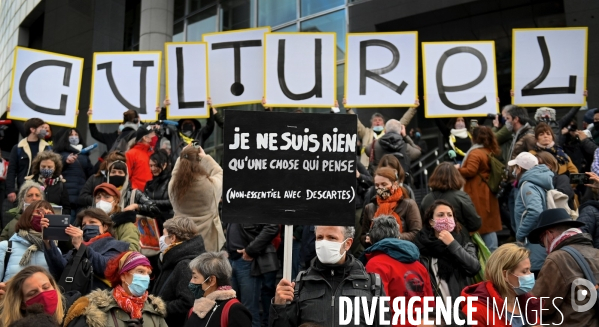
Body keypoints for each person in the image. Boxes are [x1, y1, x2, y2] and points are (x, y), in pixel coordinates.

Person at [270, 225, 388, 326]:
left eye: (331, 238)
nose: (324, 243)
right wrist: (279, 306)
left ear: (347, 244)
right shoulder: (300, 284)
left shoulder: (372, 285)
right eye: (320, 237)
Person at [528, 208, 599, 326]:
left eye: (542, 241)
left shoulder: (557, 259)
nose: (544, 247)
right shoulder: (596, 253)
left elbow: (539, 305)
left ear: (549, 234)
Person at [360, 216, 433, 326]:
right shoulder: (418, 265)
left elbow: (379, 309)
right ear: (398, 237)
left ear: (371, 240)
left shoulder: (375, 264)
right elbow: (430, 304)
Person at [63, 251, 168, 327]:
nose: (146, 277)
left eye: (148, 273)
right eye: (140, 271)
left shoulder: (153, 309)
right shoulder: (97, 309)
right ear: (123, 276)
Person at [42, 208, 129, 293]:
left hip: (98, 299)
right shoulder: (76, 248)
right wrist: (48, 242)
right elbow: (60, 270)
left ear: (105, 226)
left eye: (92, 222)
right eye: (84, 224)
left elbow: (107, 268)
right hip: (74, 299)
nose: (87, 226)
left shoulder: (116, 245)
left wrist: (81, 247)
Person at [415, 200, 480, 304]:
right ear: (431, 222)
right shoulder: (421, 246)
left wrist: (452, 244)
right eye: (440, 215)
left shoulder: (464, 242)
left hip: (461, 305)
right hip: (436, 308)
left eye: (450, 215)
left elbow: (473, 267)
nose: (446, 218)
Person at [461, 244, 541, 327]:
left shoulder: (527, 302)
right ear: (504, 275)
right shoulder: (475, 311)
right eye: (524, 271)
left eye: (529, 270)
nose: (530, 275)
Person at [151, 217, 206, 327]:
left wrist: (158, 307)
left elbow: (187, 302)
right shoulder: (174, 258)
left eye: (164, 235)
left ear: (173, 238)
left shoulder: (184, 264)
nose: (161, 239)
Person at [169, 145, 225, 252]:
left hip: (180, 240)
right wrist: (205, 158)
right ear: (200, 162)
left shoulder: (173, 187)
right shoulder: (209, 186)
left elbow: (175, 173)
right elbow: (220, 173)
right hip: (206, 243)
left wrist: (183, 155)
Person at [458, 126, 502, 251]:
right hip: (486, 191)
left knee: (483, 225)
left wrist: (457, 169)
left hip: (477, 192)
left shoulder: (475, 153)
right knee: (489, 225)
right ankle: (492, 252)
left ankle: (490, 254)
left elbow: (470, 171)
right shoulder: (488, 150)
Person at [226, 223, 279, 327]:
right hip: (233, 259)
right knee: (234, 307)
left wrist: (250, 250)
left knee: (249, 311)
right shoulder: (234, 208)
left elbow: (272, 227)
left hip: (247, 261)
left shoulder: (254, 207)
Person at [345, 99, 419, 168]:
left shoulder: (390, 132)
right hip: (367, 168)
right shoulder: (366, 133)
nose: (377, 122)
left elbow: (403, 121)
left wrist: (413, 108)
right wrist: (348, 110)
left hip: (386, 167)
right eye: (375, 120)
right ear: (371, 124)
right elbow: (356, 123)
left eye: (380, 120)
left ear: (384, 124)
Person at [511, 152, 553, 274]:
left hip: (533, 243)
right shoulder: (538, 182)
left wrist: (520, 234)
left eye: (515, 167)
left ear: (520, 168)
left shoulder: (527, 185)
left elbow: (535, 211)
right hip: (541, 241)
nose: (514, 170)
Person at [185, 251, 252, 327]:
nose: (191, 281)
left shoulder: (234, 310)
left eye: (195, 277)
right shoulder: (195, 309)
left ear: (212, 280)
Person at [361, 167, 421, 245]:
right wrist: (368, 238)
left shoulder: (408, 205)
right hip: (377, 252)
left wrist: (396, 237)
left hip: (402, 251)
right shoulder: (370, 208)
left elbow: (417, 233)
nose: (380, 188)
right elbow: (363, 236)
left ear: (395, 185)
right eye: (377, 185)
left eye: (384, 184)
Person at [0, 201, 55, 282]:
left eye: (49, 214)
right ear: (28, 215)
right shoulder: (5, 247)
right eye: (39, 212)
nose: (43, 216)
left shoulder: (53, 250)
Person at [420, 162, 482, 233]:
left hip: (432, 240)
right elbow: (475, 224)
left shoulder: (426, 199)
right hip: (459, 239)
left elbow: (423, 224)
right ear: (456, 177)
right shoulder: (461, 197)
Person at [0, 266, 66, 326]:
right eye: (32, 293)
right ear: (22, 304)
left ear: (53, 286)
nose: (43, 294)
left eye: (46, 287)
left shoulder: (72, 313)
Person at [53, 128, 94, 222]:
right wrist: (66, 161)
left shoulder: (84, 155)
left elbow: (91, 173)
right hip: (67, 196)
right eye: (71, 135)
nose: (74, 137)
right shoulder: (60, 154)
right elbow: (55, 170)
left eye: (76, 134)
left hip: (81, 196)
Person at [6, 118, 51, 203]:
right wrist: (10, 190)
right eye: (41, 127)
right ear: (32, 129)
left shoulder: (47, 147)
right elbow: (11, 170)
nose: (44, 130)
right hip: (23, 189)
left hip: (42, 189)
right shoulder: (18, 148)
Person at [93, 183, 141, 251]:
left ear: (115, 201)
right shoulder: (88, 223)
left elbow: (131, 251)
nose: (101, 201)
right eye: (98, 197)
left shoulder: (126, 226)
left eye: (107, 197)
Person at [23, 151, 71, 215]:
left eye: (49, 167)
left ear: (55, 168)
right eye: (43, 166)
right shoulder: (30, 182)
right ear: (38, 166)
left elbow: (66, 209)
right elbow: (21, 203)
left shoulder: (60, 185)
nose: (46, 169)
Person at [143, 150, 173, 230]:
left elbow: (172, 202)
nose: (153, 168)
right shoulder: (149, 184)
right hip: (152, 225)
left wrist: (151, 202)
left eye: (156, 165)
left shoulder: (171, 181)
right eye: (151, 165)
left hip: (167, 223)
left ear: (164, 165)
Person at [126, 124, 156, 191]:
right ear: (145, 138)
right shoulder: (131, 154)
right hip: (137, 193)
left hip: (152, 192)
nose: (154, 136)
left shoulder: (153, 152)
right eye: (152, 134)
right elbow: (126, 176)